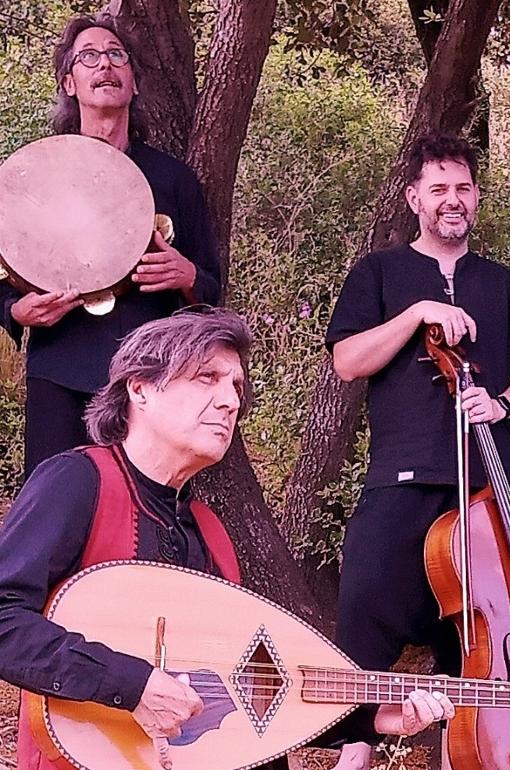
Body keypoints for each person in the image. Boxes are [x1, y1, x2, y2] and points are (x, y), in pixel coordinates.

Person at [0, 309, 450, 770]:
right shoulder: (78, 481)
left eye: (235, 386)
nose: (230, 402)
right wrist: (130, 684)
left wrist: (374, 718)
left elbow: (249, 688)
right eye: (206, 378)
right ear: (140, 388)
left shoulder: (211, 533)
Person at [326, 133, 510, 765]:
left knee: (484, 630)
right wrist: (416, 313)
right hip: (400, 478)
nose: (452, 200)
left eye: (463, 188)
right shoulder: (378, 273)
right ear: (414, 199)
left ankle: (477, 752)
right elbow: (348, 360)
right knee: (365, 605)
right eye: (439, 190)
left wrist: (501, 403)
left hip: (488, 487)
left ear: (476, 197)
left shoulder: (502, 283)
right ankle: (356, 748)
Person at [0, 13, 221, 480]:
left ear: (134, 84)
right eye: (89, 57)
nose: (105, 65)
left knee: (143, 511)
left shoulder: (173, 179)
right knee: (54, 510)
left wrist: (188, 278)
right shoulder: (35, 174)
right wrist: (17, 312)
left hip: (151, 376)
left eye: (116, 56)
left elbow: (211, 287)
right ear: (70, 82)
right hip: (59, 368)